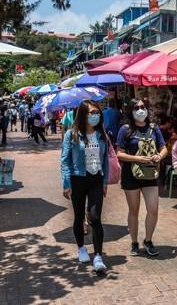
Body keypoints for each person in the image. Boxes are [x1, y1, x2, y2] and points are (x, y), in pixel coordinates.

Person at [60, 100, 109, 272]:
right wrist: (66, 183)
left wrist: (105, 182)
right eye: (91, 113)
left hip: (96, 179)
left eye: (97, 112)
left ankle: (98, 256)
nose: (95, 116)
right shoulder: (71, 134)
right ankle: (81, 248)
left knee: (95, 217)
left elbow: (105, 161)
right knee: (79, 216)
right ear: (83, 115)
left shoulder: (102, 134)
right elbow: (65, 160)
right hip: (77, 179)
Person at [116, 99, 167, 257]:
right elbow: (119, 153)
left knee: (153, 209)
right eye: (136, 108)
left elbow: (164, 147)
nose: (140, 110)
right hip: (131, 175)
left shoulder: (154, 129)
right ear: (131, 111)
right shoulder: (125, 130)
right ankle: (134, 241)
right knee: (134, 210)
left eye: (143, 107)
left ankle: (148, 240)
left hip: (150, 174)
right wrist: (138, 159)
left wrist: (159, 156)